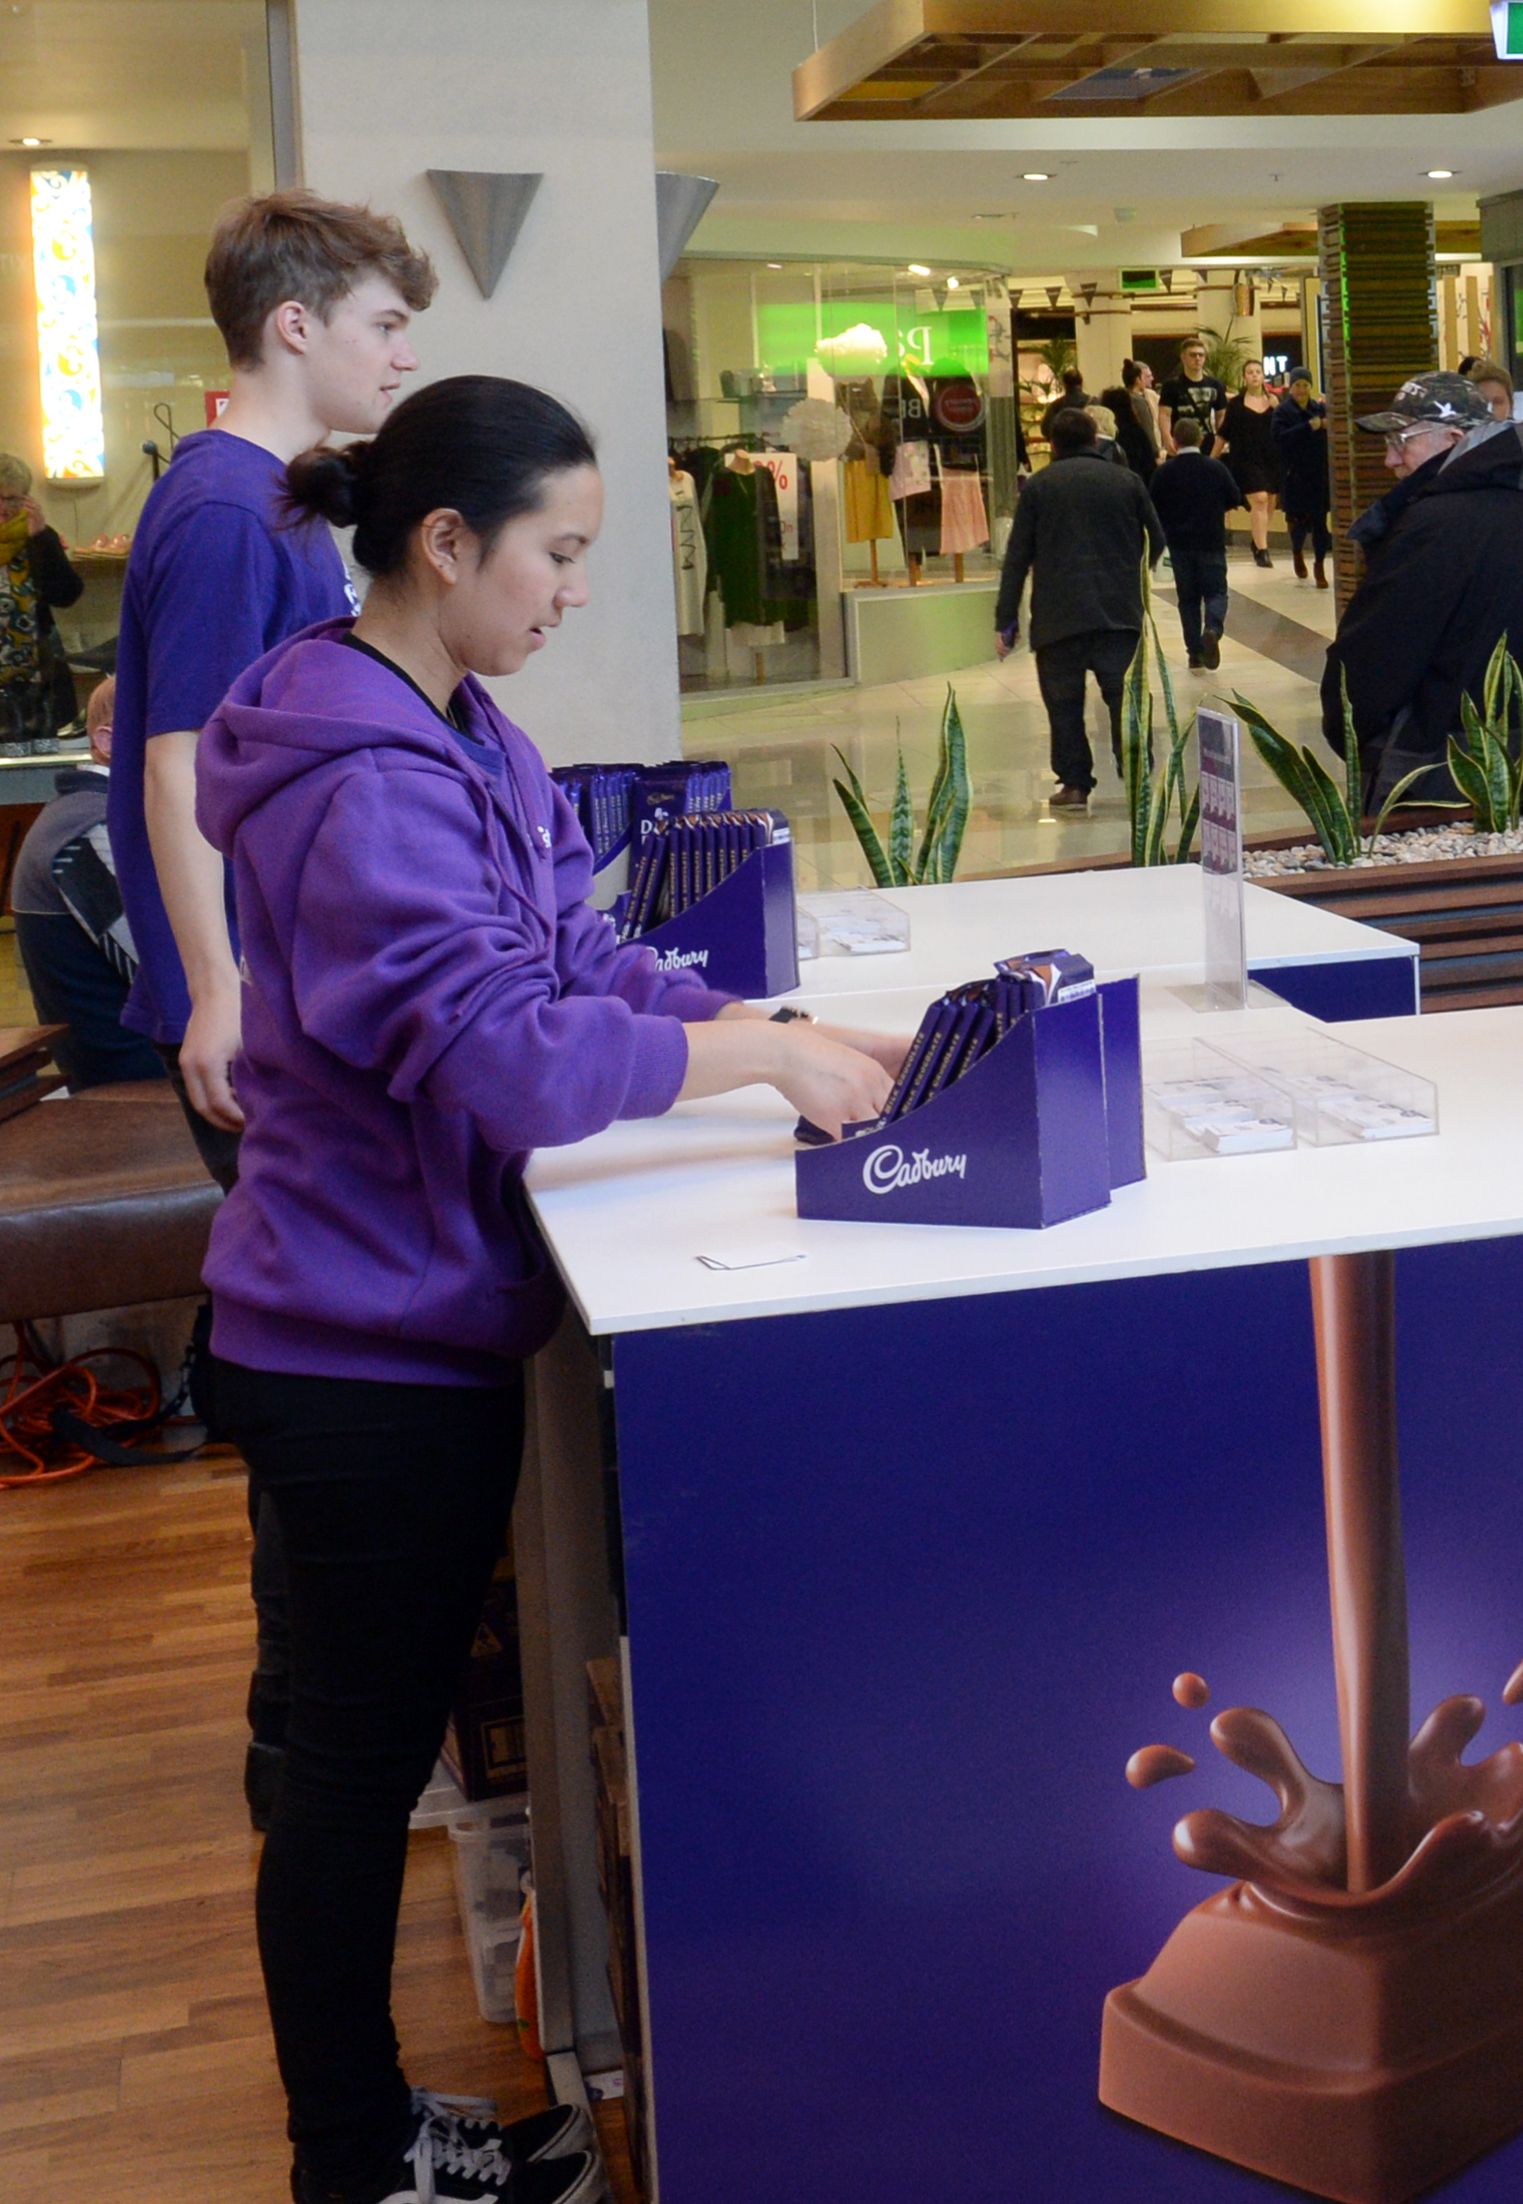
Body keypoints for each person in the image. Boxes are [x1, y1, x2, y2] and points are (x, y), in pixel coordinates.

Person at [198, 373, 899, 2204]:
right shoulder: (358, 774)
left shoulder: (467, 728)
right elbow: (505, 1051)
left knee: (355, 1751)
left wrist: (775, 1026)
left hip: (408, 1309)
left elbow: (580, 951)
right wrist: (757, 1072)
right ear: (446, 545)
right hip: (353, 1344)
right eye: (560, 552)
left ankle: (371, 2128)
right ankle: (350, 2156)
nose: (579, 587)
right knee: (344, 1775)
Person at [112, 189, 433, 1839]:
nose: (404, 352)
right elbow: (175, 768)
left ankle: (309, 1722)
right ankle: (306, 1739)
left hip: (288, 987)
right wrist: (223, 989)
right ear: (294, 324)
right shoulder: (232, 511)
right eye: (385, 323)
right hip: (257, 1010)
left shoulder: (252, 503)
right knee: (319, 1380)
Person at [1321, 369, 1523, 811]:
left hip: (1438, 781)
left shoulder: (1429, 527)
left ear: (1453, 439)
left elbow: (1369, 665)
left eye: (1401, 442)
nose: (1390, 461)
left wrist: (1374, 746)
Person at [993, 400, 1164, 811]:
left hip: (1058, 617)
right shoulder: (1127, 481)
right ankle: (1137, 773)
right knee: (1125, 699)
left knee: (1064, 705)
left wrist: (1006, 621)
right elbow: (1155, 539)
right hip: (1119, 614)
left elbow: (1017, 556)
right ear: (1094, 439)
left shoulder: (1038, 486)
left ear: (1052, 444)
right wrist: (1129, 571)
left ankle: (1074, 784)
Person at [10, 688, 171, 1091]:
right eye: (175, 732)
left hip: (151, 1070)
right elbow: (173, 973)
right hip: (140, 1085)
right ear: (107, 741)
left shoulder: (92, 818)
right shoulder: (88, 831)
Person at [0, 451, 86, 748]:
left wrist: (40, 539)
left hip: (37, 678)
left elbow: (66, 595)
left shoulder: (39, 536)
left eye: (12, 500)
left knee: (41, 762)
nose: (4, 508)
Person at [1153, 425, 1243, 672]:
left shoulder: (1164, 472)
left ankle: (1195, 653)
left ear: (1174, 441)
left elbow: (1153, 507)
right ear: (1202, 439)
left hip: (1179, 546)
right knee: (1216, 592)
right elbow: (1235, 497)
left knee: (1188, 600)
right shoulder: (1215, 468)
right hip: (1211, 541)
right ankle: (1212, 629)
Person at [1224, 360, 1285, 569]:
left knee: (1269, 500)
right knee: (1258, 498)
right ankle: (1262, 550)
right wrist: (1212, 457)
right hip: (1246, 459)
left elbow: (1284, 426)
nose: (1254, 375)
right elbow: (1224, 433)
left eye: (1258, 372)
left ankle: (1258, 539)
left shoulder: (1274, 401)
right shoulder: (1236, 405)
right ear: (1244, 377)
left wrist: (1278, 409)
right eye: (1250, 372)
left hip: (1271, 458)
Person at [1275, 369, 1333, 585]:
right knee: (1299, 522)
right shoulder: (1282, 412)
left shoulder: (1320, 409)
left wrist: (1326, 427)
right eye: (1297, 385)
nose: (1301, 389)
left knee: (1320, 522)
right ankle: (1297, 551)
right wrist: (1307, 427)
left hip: (1318, 476)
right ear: (1291, 388)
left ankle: (1319, 565)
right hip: (1295, 475)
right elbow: (1279, 438)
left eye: (1305, 385)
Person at [1164, 333, 1228, 458]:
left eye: (1201, 355)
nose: (1197, 358)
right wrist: (1167, 439)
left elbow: (1221, 416)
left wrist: (1220, 442)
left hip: (1207, 441)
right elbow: (1164, 415)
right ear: (1183, 357)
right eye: (1193, 355)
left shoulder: (1215, 384)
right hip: (1180, 440)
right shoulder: (1172, 385)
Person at [1097, 357, 1161, 482]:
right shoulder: (1138, 403)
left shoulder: (1103, 437)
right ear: (1138, 379)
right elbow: (1148, 427)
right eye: (1147, 376)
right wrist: (1156, 452)